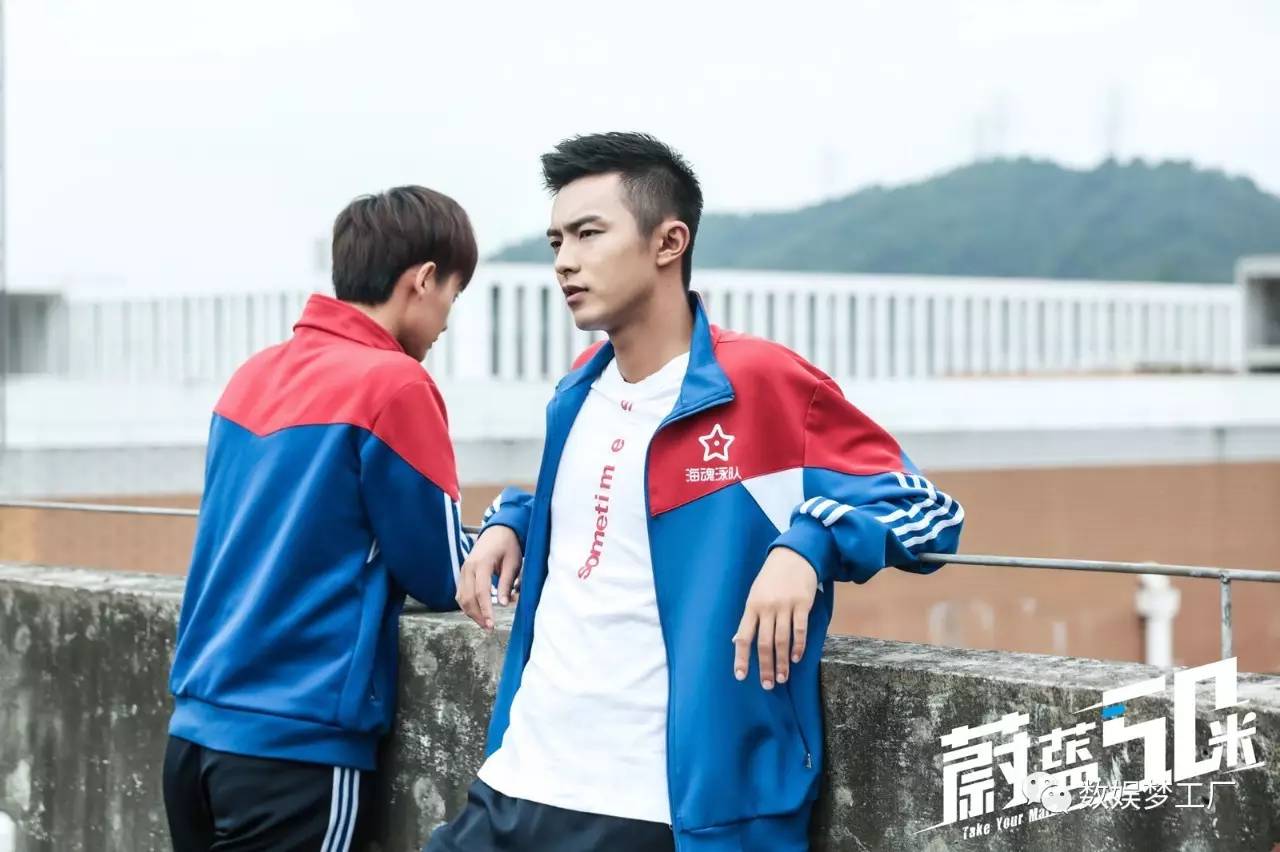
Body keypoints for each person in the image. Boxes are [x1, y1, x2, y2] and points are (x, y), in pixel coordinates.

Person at [431, 132, 965, 852]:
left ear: (668, 242)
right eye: (557, 240)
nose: (564, 260)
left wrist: (807, 545)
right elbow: (619, 509)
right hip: (516, 779)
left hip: (656, 810)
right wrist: (519, 517)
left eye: (589, 233)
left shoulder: (762, 384)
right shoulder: (576, 392)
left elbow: (929, 513)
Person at [164, 186, 478, 851]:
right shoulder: (394, 384)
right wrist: (514, 521)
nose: (448, 319)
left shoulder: (253, 375)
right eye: (454, 294)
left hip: (194, 738)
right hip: (293, 747)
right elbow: (445, 574)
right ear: (423, 280)